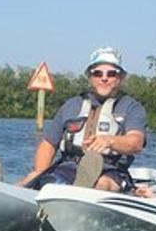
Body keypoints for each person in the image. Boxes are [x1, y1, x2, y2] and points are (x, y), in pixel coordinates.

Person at [15, 47, 147, 191]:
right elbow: (49, 143)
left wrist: (109, 141)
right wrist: (39, 172)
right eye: (97, 73)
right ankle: (2, 191)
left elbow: (136, 142)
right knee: (43, 180)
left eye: (111, 73)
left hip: (111, 171)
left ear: (120, 77)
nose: (104, 78)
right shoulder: (72, 105)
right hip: (69, 167)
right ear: (90, 77)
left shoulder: (132, 108)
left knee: (103, 185)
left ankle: (82, 191)